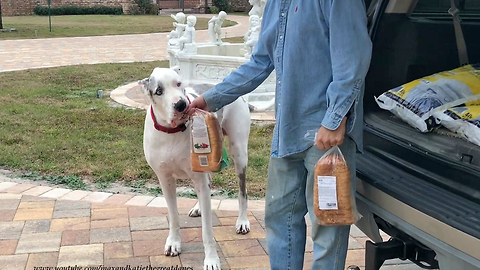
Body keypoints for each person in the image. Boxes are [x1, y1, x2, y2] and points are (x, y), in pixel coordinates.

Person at [187, 1, 372, 269]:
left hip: (328, 136)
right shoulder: (276, 3)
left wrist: (334, 119)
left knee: (328, 229)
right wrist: (211, 98)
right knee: (279, 219)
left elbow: (353, 58)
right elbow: (261, 62)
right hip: (288, 131)